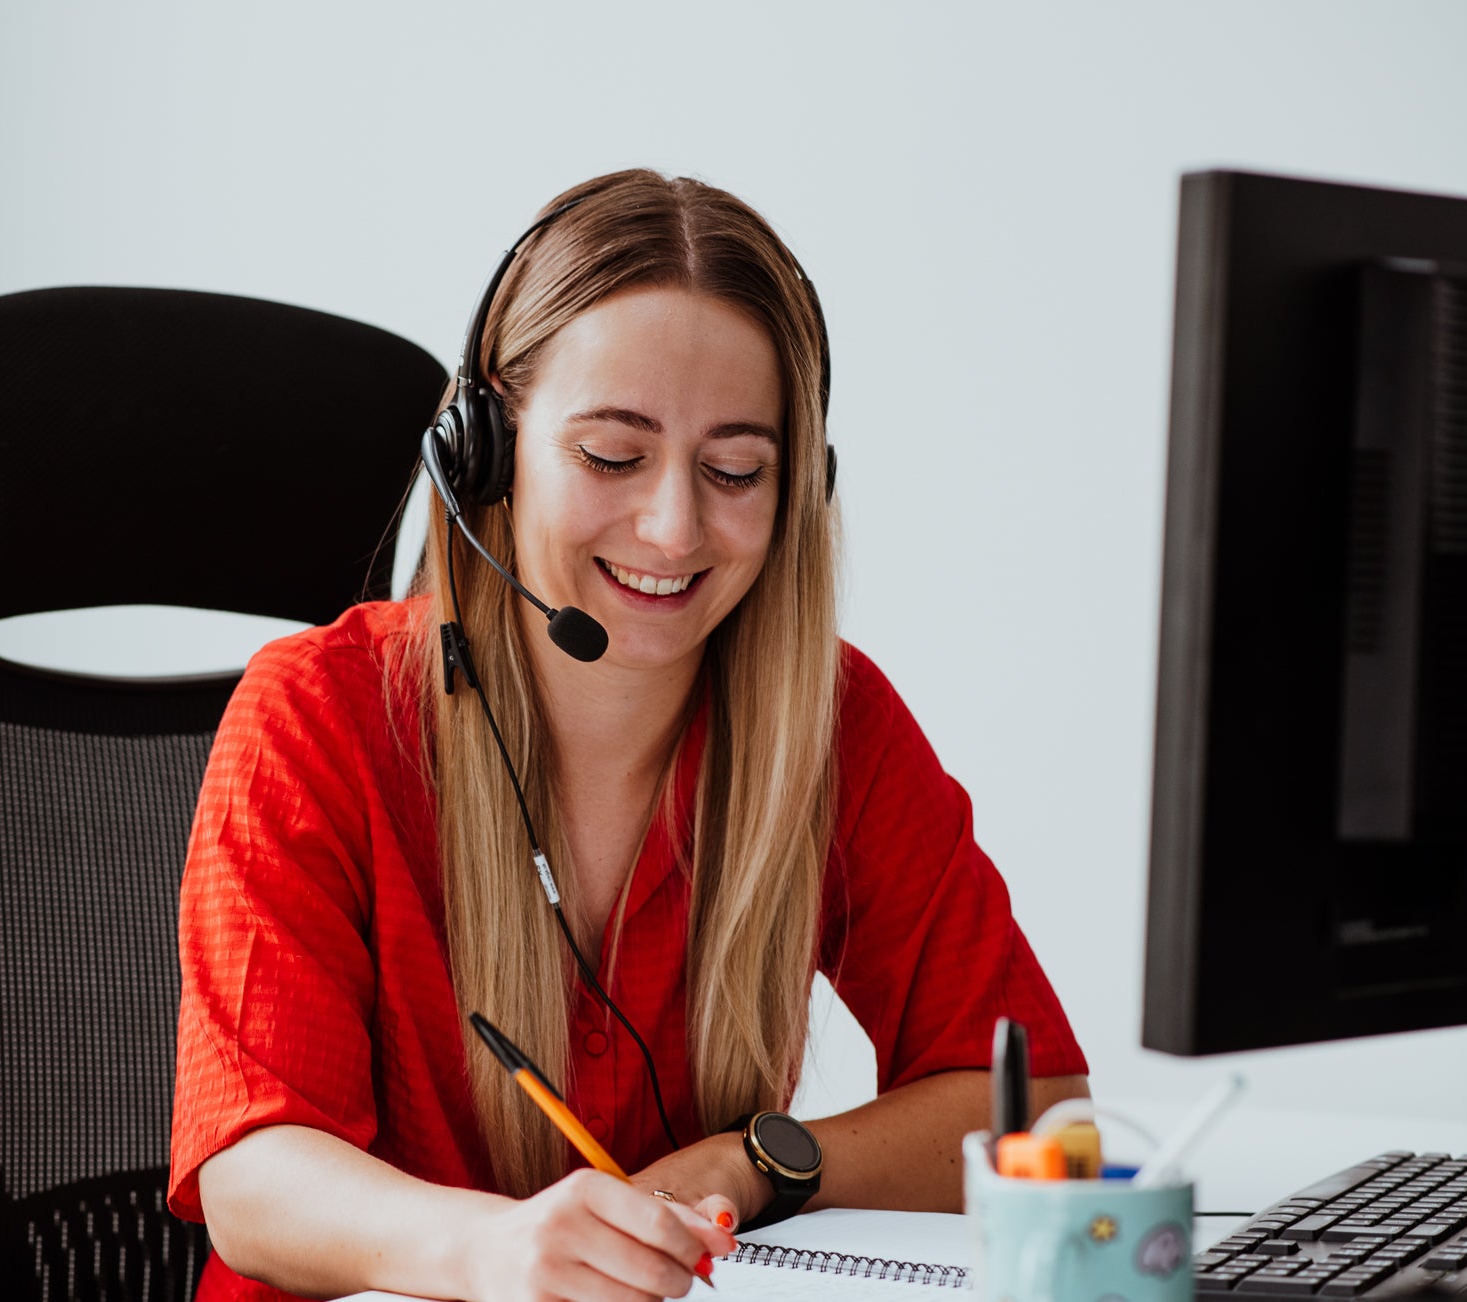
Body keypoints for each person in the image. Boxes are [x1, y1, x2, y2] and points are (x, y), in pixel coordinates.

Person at [170, 169, 1088, 1302]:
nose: (674, 526)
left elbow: (1033, 1106)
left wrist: (753, 1165)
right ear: (487, 453)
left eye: (735, 470)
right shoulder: (315, 713)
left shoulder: (831, 724)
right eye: (613, 455)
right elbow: (253, 1182)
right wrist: (498, 1253)